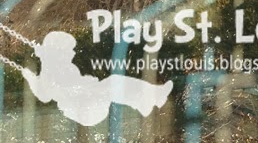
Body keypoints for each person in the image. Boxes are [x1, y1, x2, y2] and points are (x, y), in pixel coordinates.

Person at [20, 31, 173, 128]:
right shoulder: (49, 71)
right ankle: (148, 98)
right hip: (80, 108)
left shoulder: (66, 67)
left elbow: (73, 81)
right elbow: (45, 96)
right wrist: (30, 77)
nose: (73, 53)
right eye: (69, 50)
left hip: (88, 101)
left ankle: (146, 99)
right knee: (112, 82)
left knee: (113, 84)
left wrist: (86, 82)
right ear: (57, 52)